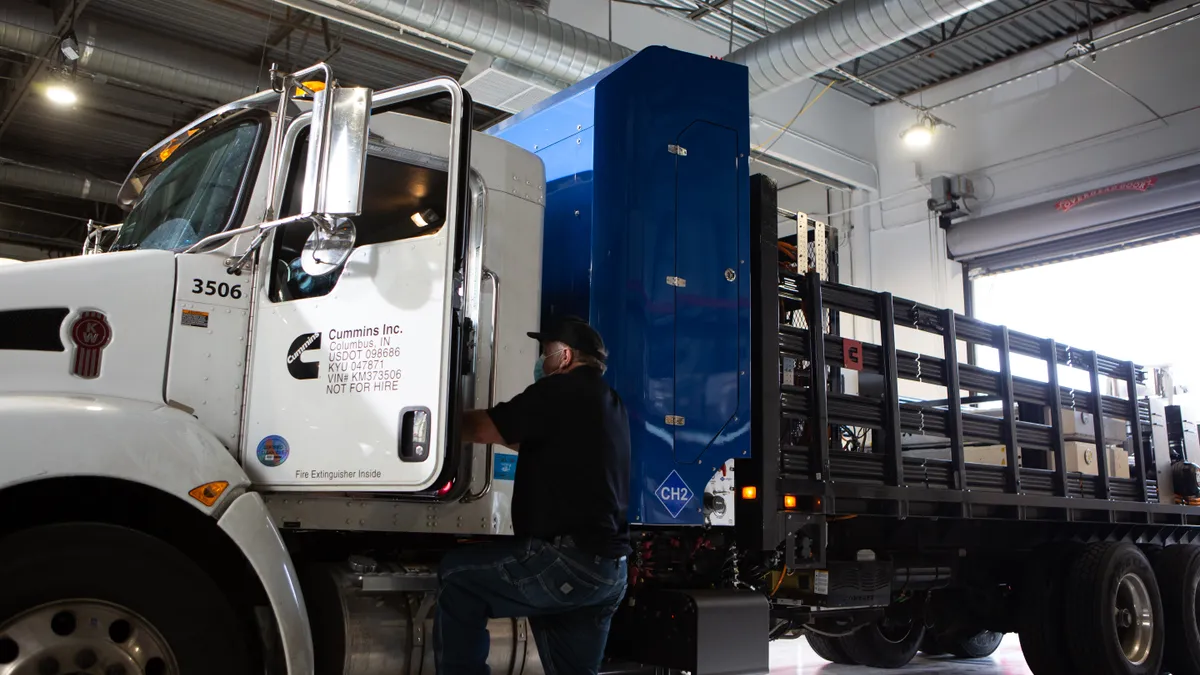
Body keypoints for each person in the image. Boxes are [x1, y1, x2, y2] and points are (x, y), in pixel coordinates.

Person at [435, 316, 632, 675]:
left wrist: (428, 422)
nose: (541, 361)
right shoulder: (609, 401)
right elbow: (541, 442)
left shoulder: (558, 391)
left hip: (566, 560)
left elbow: (483, 428)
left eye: (545, 352)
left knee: (458, 577)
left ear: (565, 356)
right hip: (609, 571)